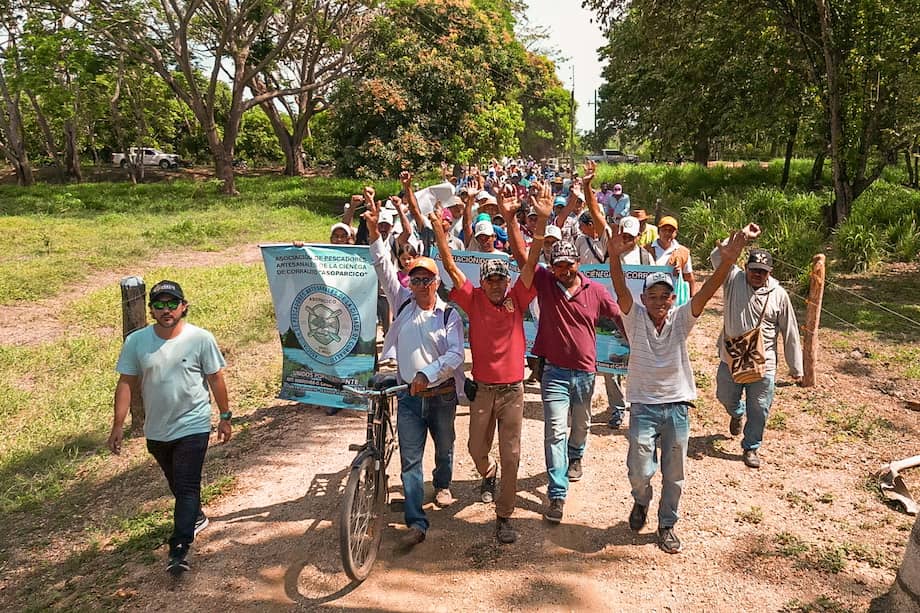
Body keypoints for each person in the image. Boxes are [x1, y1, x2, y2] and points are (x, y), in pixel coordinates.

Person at [607, 222, 754, 554]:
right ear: (643, 298)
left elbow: (706, 291)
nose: (659, 302)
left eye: (664, 296)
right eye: (653, 296)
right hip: (643, 405)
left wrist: (730, 259)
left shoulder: (681, 319)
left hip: (676, 406)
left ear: (673, 298)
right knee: (640, 470)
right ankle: (641, 500)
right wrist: (614, 257)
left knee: (674, 474)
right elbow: (619, 290)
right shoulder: (634, 318)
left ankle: (667, 524)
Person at [429, 185, 549, 543]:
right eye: (491, 280)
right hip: (482, 390)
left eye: (501, 279)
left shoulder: (519, 296)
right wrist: (439, 233)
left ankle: (504, 515)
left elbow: (529, 261)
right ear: (483, 282)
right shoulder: (474, 299)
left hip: (513, 391)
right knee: (475, 449)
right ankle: (487, 472)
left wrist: (535, 223)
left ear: (507, 282)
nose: (496, 285)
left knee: (511, 454)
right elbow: (450, 266)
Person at [107, 280, 231, 575]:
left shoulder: (200, 338)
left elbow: (216, 378)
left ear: (183, 307)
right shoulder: (136, 342)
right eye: (159, 305)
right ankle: (195, 516)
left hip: (194, 423)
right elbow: (126, 383)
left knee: (187, 485)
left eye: (172, 304)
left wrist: (225, 416)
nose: (166, 310)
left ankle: (179, 548)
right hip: (157, 431)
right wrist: (117, 425)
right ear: (150, 310)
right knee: (177, 484)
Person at [365, 187, 464, 548]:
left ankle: (442, 483)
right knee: (409, 460)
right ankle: (416, 521)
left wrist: (428, 373)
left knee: (444, 448)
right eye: (415, 279)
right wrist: (375, 233)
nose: (419, 284)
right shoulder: (402, 301)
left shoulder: (449, 315)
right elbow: (383, 267)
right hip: (408, 396)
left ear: (437, 282)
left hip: (440, 396)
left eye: (426, 279)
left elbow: (455, 355)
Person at [529, 183, 625, 525]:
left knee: (580, 425)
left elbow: (618, 315)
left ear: (577, 264)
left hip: (586, 372)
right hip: (554, 371)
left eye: (569, 264)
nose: (564, 270)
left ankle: (576, 455)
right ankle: (557, 494)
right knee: (554, 429)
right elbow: (521, 255)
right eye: (559, 265)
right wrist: (537, 222)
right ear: (552, 266)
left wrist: (634, 348)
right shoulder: (543, 283)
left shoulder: (595, 290)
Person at [711, 239, 803, 469]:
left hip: (764, 362)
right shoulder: (733, 279)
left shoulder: (779, 295)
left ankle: (751, 446)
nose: (757, 275)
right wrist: (737, 239)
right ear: (746, 268)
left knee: (760, 407)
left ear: (769, 272)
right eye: (753, 270)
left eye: (762, 271)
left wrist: (796, 367)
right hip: (731, 357)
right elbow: (716, 257)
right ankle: (736, 412)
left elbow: (790, 331)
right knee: (725, 395)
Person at [647, 215, 696, 297]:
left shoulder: (683, 252)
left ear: (675, 233)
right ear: (658, 231)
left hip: (673, 296)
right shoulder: (646, 249)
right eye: (664, 230)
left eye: (671, 231)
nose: (667, 233)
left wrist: (692, 300)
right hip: (651, 296)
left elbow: (689, 278)